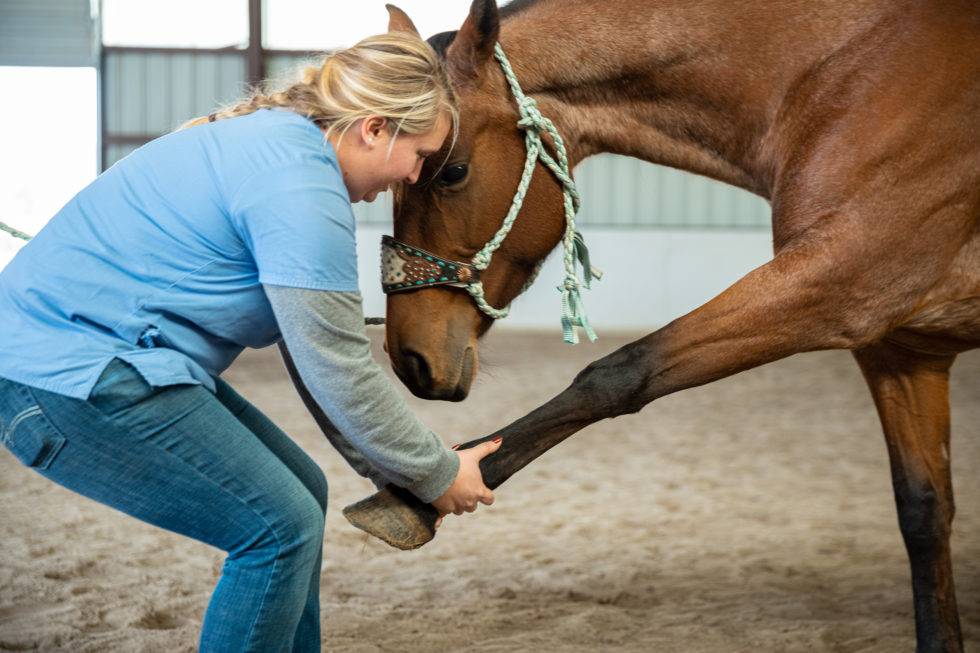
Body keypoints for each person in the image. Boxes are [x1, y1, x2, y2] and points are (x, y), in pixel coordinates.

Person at [0, 30, 500, 652]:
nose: (413, 177)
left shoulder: (277, 147)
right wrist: (434, 471)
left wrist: (400, 470)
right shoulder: (301, 187)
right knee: (276, 528)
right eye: (419, 155)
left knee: (301, 499)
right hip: (70, 379)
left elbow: (314, 356)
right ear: (374, 128)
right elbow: (336, 363)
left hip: (99, 364)